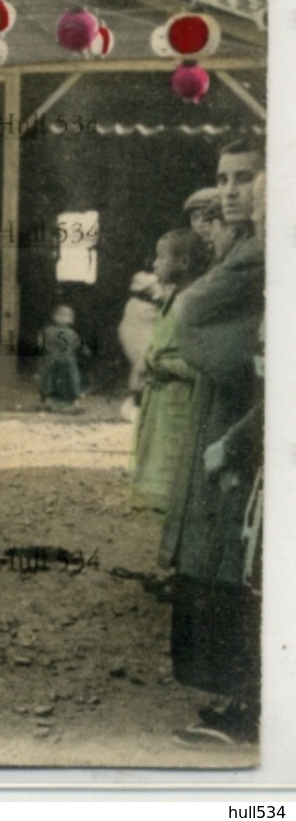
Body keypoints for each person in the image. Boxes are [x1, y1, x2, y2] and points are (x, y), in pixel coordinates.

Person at [166, 144, 264, 747]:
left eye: (244, 177)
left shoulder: (261, 253)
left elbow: (195, 311)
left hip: (245, 412)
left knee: (241, 555)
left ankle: (249, 699)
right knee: (232, 553)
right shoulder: (244, 246)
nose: (230, 191)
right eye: (223, 179)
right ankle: (240, 693)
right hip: (234, 404)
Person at [128, 229, 213, 513]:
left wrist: (161, 364)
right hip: (162, 398)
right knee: (156, 458)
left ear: (184, 262)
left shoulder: (193, 302)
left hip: (180, 400)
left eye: (160, 257)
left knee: (174, 462)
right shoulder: (172, 298)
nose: (154, 264)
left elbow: (200, 360)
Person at [117, 270, 165, 417]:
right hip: (137, 337)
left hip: (141, 335)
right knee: (142, 366)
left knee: (142, 367)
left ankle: (142, 401)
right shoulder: (138, 306)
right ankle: (139, 402)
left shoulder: (138, 304)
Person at [37, 304, 88, 412]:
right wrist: (85, 352)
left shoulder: (46, 331)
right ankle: (75, 402)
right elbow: (79, 346)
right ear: (71, 319)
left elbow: (40, 344)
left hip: (50, 358)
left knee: (47, 379)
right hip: (67, 359)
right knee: (72, 379)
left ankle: (45, 401)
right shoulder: (72, 333)